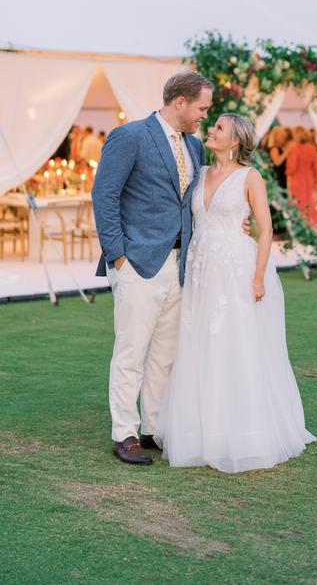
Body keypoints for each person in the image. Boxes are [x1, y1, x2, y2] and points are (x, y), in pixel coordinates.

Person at [155, 113, 316, 472]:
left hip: (236, 270)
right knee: (199, 343)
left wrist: (258, 278)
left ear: (236, 141)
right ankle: (201, 431)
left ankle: (244, 431)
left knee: (236, 343)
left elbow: (266, 227)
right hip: (201, 268)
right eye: (211, 126)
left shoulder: (250, 176)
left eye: (219, 129)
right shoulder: (200, 173)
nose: (210, 131)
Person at [92, 72, 214, 465]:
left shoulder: (194, 146)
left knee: (165, 353)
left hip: (180, 265)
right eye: (201, 108)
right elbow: (104, 195)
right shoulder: (130, 137)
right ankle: (123, 432)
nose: (204, 117)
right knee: (131, 350)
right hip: (138, 262)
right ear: (180, 102)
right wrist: (118, 256)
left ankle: (153, 428)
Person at [286, 126, 317, 226]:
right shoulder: (312, 149)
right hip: (310, 179)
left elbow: (291, 168)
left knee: (298, 203)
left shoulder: (294, 149)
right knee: (309, 202)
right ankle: (310, 225)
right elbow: (316, 168)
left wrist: (288, 172)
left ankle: (299, 226)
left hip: (297, 180)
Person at [268, 125, 292, 190]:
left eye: (284, 136)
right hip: (277, 179)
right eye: (282, 136)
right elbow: (277, 162)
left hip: (281, 178)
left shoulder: (280, 148)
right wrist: (286, 152)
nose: (284, 138)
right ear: (276, 137)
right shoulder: (274, 149)